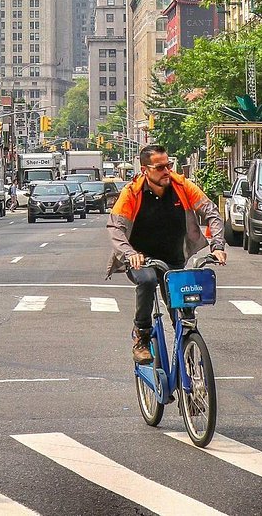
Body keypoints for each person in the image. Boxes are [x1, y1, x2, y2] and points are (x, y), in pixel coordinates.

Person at [106, 144, 227, 364]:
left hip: (173, 259)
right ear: (145, 170)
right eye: (160, 167)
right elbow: (115, 228)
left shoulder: (181, 186)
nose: (167, 171)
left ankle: (188, 359)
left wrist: (217, 246)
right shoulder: (132, 192)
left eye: (169, 165)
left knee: (183, 314)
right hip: (141, 260)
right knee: (148, 280)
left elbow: (212, 213)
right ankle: (141, 335)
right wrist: (130, 253)